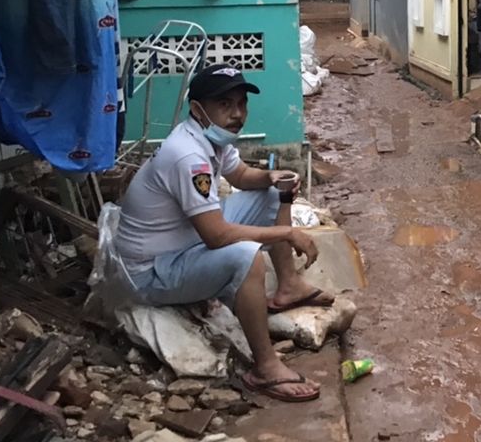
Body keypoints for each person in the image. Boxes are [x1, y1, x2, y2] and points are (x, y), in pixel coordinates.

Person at [115, 64, 334, 402]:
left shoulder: (211, 138)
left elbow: (241, 176)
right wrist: (285, 233)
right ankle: (265, 368)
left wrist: (272, 178)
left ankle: (288, 286)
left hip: (182, 243)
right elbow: (216, 237)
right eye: (225, 105)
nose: (237, 114)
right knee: (246, 258)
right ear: (198, 110)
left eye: (242, 104)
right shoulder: (188, 155)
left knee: (271, 194)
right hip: (151, 272)